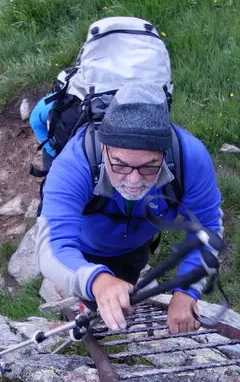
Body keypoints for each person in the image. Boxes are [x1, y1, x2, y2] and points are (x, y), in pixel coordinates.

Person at [36, 83, 224, 335]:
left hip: (135, 247)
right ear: (104, 148)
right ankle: (85, 310)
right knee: (95, 299)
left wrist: (187, 291)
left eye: (149, 166)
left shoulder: (190, 157)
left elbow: (207, 227)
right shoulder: (75, 163)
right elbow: (52, 246)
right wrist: (97, 281)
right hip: (84, 247)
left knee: (121, 298)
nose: (134, 181)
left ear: (164, 152)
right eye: (120, 165)